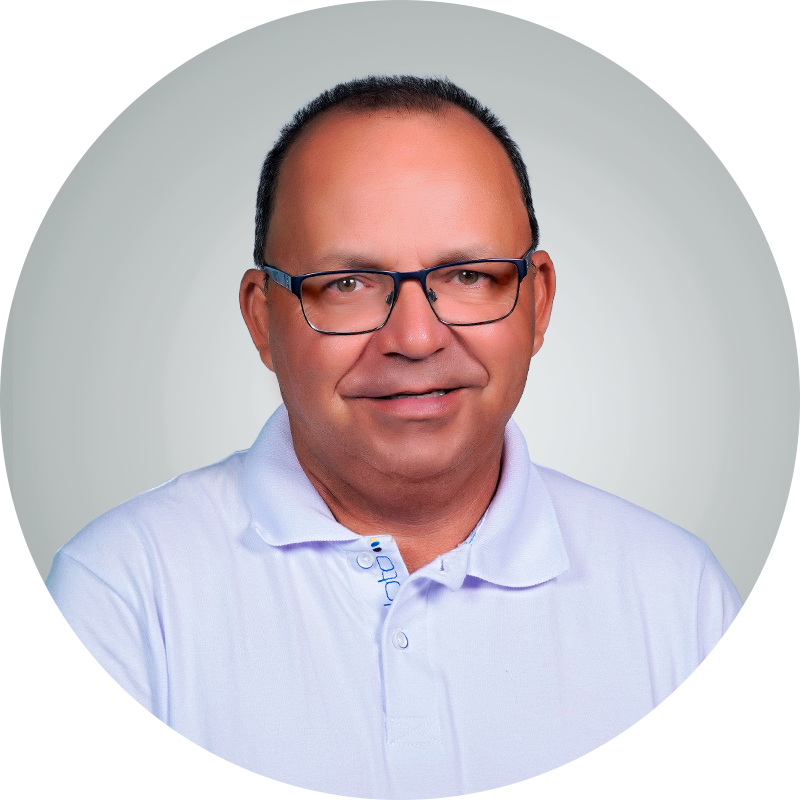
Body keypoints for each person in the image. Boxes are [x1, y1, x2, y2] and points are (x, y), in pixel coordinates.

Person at [2, 75, 798, 799]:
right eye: (348, 283)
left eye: (467, 275)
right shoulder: (123, 593)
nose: (415, 338)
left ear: (538, 301)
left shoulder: (676, 595)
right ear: (261, 319)